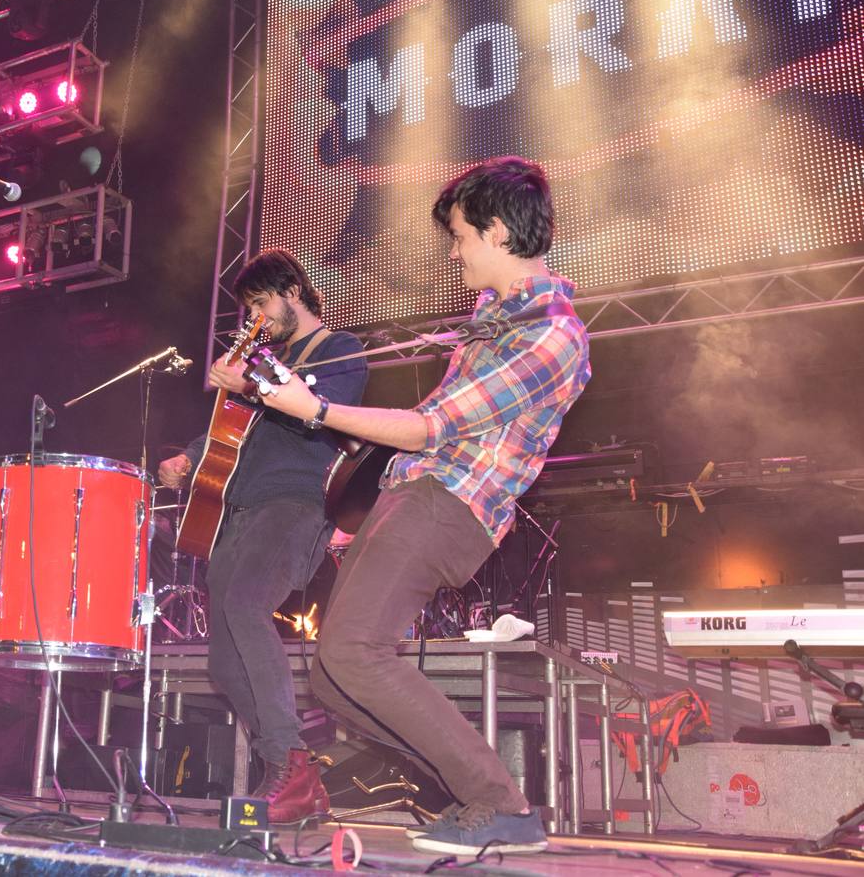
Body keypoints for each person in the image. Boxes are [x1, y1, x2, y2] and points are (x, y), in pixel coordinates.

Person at [257, 157, 590, 854]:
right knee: (332, 675)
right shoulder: (497, 318)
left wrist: (315, 409)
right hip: (416, 495)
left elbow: (432, 427)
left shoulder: (551, 336)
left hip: (449, 504)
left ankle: (498, 802)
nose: (453, 249)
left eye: (463, 235)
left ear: (499, 232)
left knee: (354, 652)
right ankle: (466, 793)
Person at [159, 249, 368, 823]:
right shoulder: (264, 361)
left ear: (292, 292)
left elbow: (319, 411)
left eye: (260, 303)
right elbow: (234, 433)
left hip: (296, 504)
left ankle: (290, 763)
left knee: (248, 607)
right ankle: (292, 772)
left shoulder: (339, 349)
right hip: (241, 508)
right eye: (247, 307)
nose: (255, 316)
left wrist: (250, 383)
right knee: (223, 664)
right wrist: (187, 457)